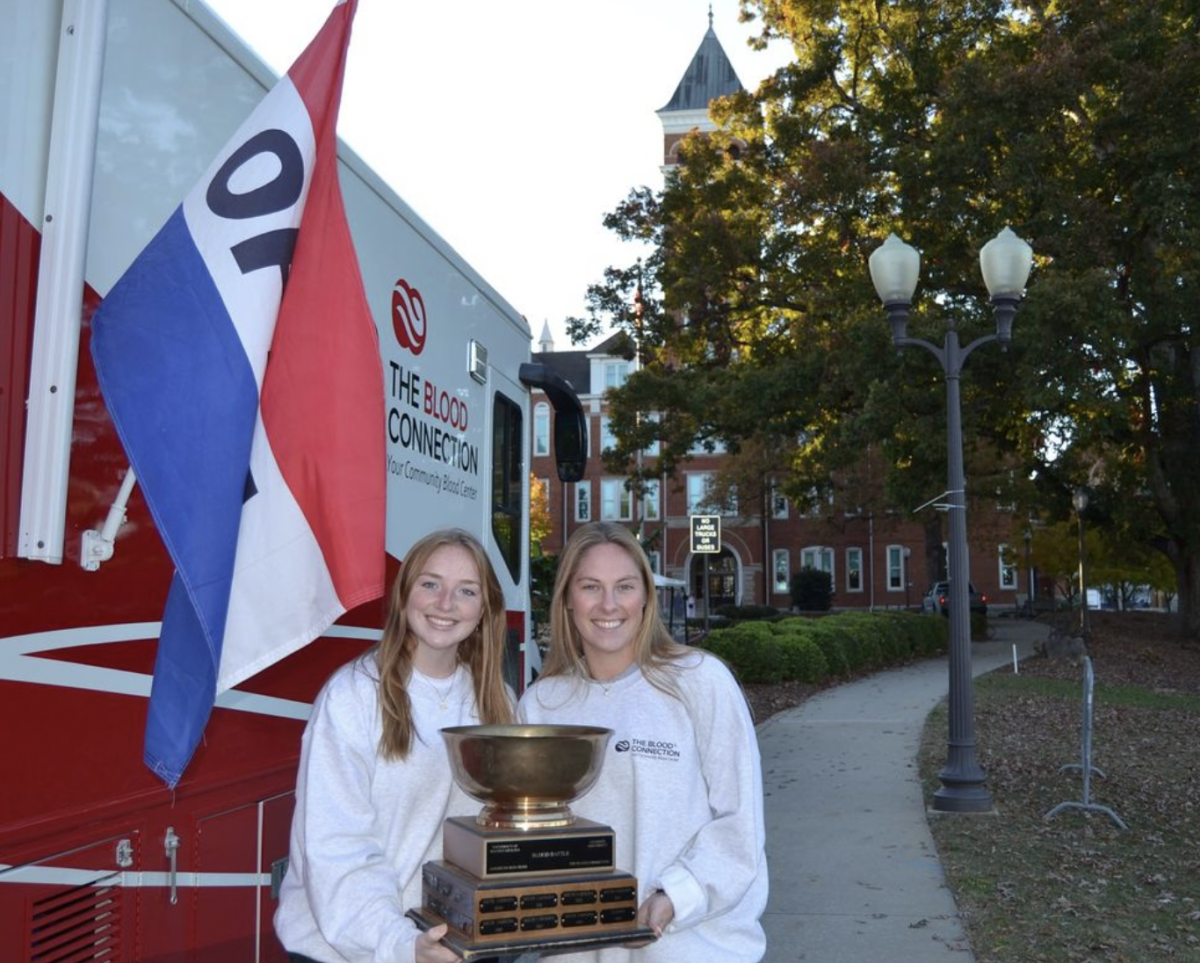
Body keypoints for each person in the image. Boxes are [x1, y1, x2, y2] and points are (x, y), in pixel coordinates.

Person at [518, 522, 767, 962]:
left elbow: (738, 824)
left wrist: (675, 896)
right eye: (590, 586)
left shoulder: (699, 681)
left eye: (625, 586)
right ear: (567, 600)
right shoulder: (542, 705)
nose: (608, 604)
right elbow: (531, 838)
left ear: (646, 597)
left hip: (690, 948)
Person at [275, 529, 514, 963]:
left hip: (454, 947)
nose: (445, 603)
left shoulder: (497, 703)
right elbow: (337, 847)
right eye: (430, 584)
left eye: (466, 591)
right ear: (404, 596)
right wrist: (400, 944)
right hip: (352, 951)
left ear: (484, 610)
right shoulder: (352, 697)